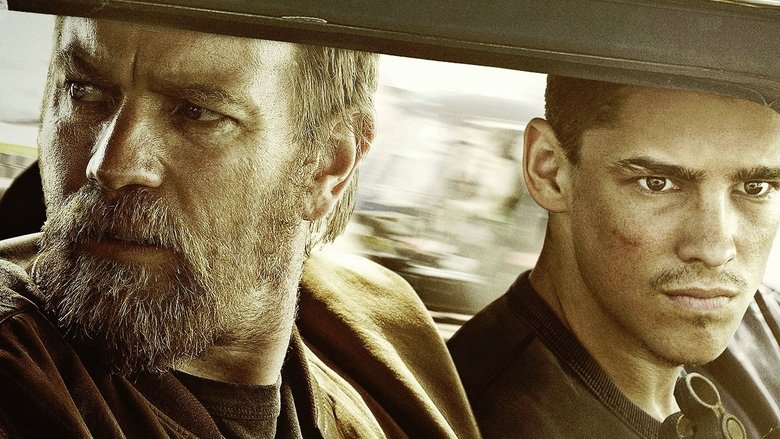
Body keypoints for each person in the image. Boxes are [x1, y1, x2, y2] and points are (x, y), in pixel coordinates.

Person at [0, 16, 481, 438]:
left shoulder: (377, 325)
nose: (111, 164)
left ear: (327, 166)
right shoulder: (20, 370)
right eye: (83, 91)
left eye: (197, 112)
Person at [448, 75, 780, 438]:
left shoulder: (762, 323)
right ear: (550, 170)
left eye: (755, 188)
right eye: (657, 183)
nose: (716, 251)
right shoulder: (478, 423)